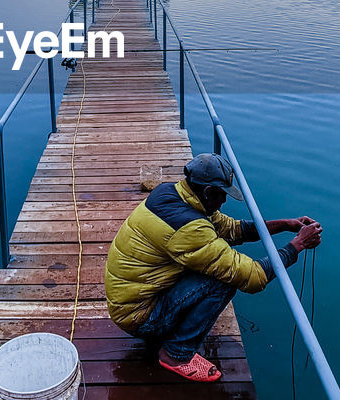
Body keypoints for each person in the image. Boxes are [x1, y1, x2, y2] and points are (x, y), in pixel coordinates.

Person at [104, 153, 323, 382]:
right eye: (221, 195)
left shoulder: (173, 194)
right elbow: (253, 277)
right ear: (208, 192)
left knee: (216, 264)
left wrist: (284, 225)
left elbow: (231, 229)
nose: (224, 202)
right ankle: (176, 354)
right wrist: (297, 246)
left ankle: (171, 333)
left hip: (133, 298)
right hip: (138, 317)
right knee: (226, 279)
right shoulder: (190, 228)